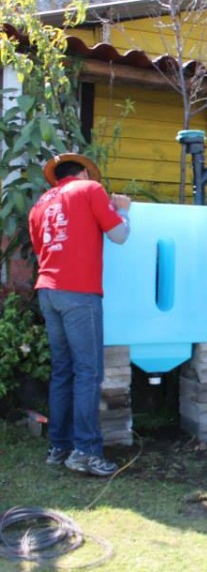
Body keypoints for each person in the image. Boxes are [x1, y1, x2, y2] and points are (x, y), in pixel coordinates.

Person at [29, 152, 131, 476]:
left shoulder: (40, 205)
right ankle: (85, 451)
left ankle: (59, 447)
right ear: (84, 172)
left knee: (63, 370)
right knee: (88, 372)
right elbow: (119, 235)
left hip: (47, 291)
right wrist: (123, 210)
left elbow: (42, 249)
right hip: (79, 294)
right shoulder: (90, 191)